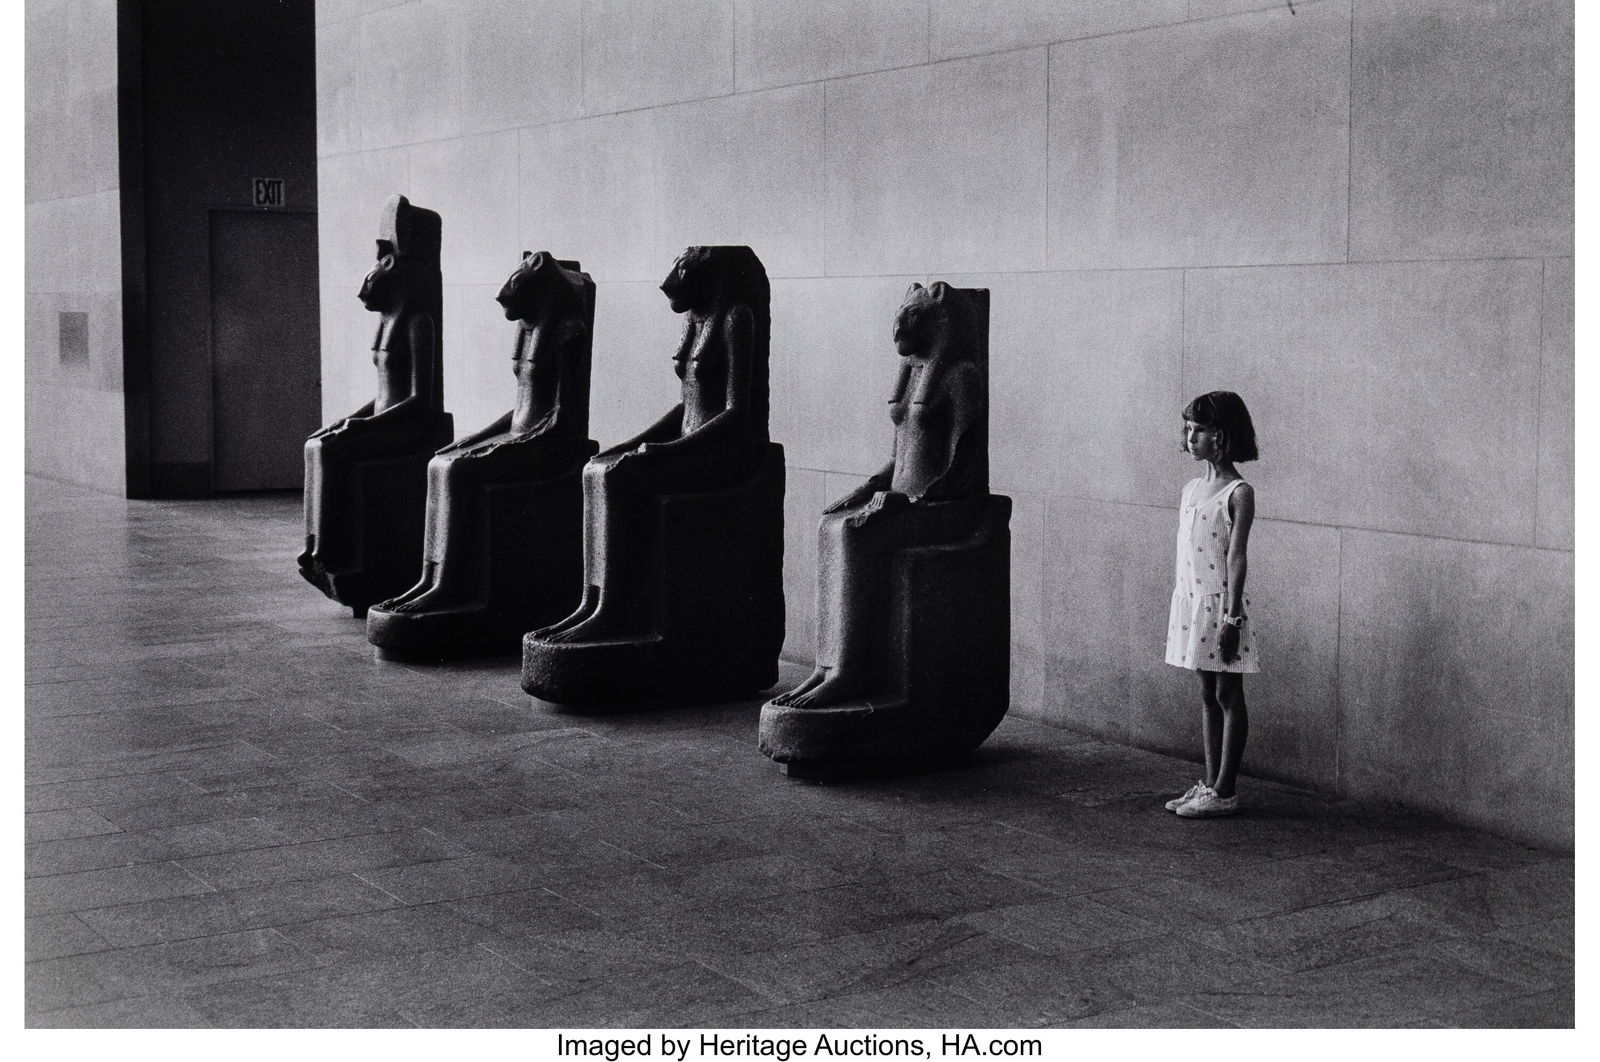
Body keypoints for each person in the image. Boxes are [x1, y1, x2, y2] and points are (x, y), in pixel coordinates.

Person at [1164, 390, 1259, 818]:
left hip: (1220, 606)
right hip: (1193, 601)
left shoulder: (1238, 492)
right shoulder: (1191, 489)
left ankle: (1226, 789)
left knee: (1228, 692)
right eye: (1188, 428)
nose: (1191, 437)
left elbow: (1236, 557)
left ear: (1221, 435)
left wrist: (1231, 618)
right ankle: (1209, 783)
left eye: (1200, 429)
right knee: (1207, 692)